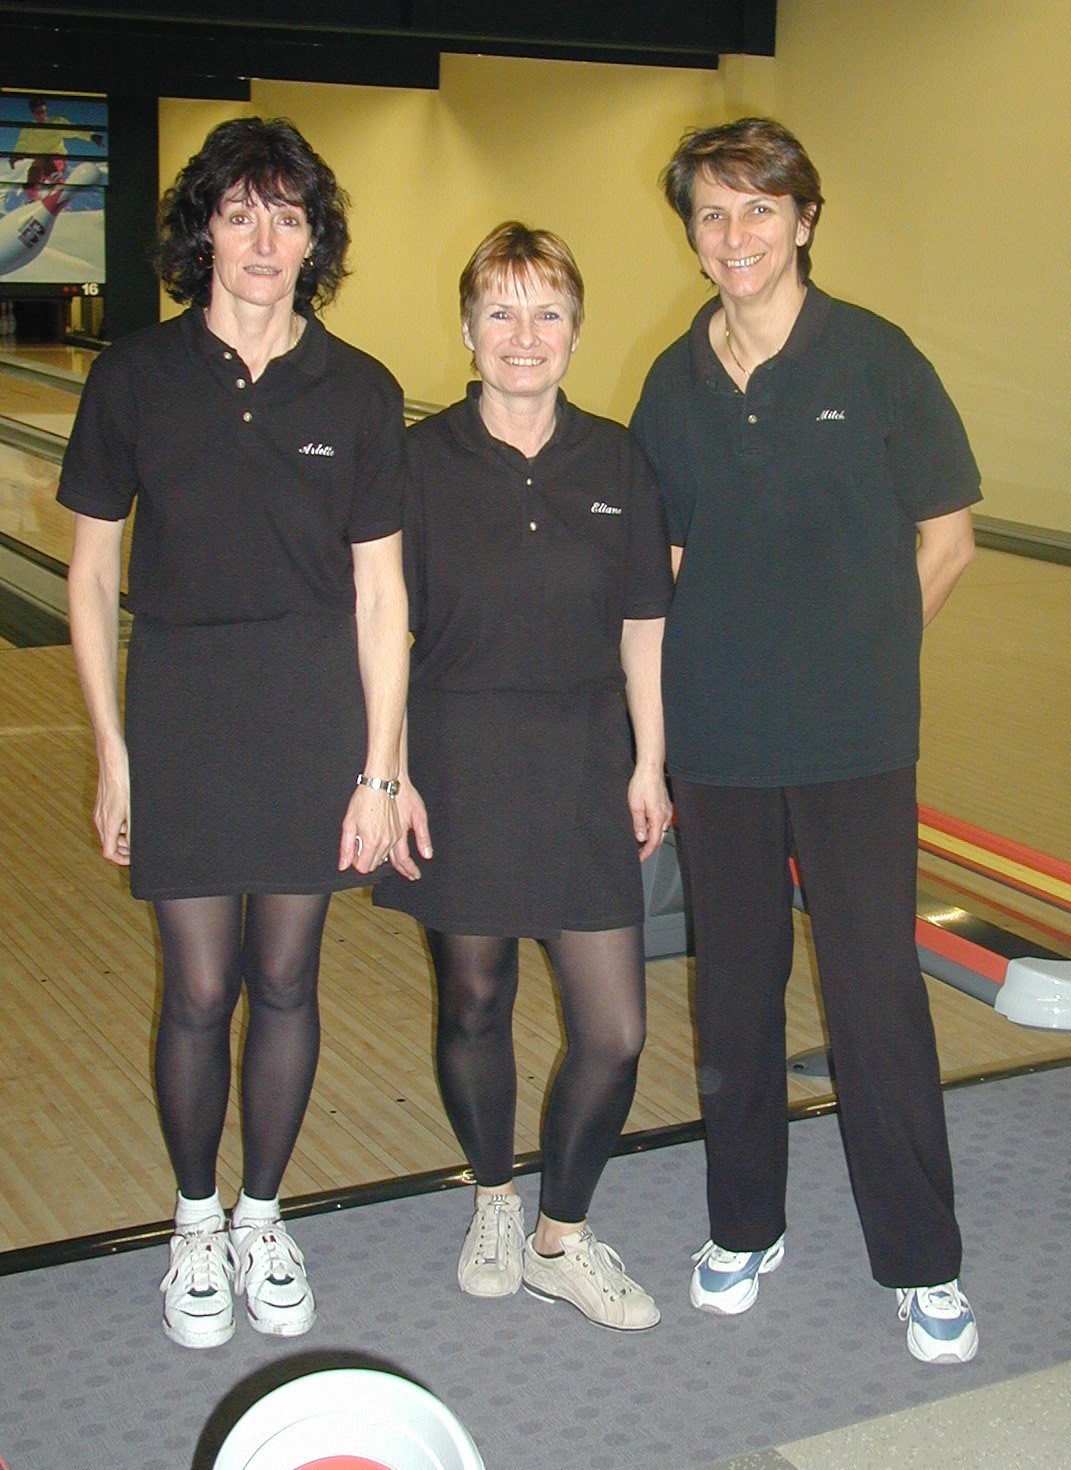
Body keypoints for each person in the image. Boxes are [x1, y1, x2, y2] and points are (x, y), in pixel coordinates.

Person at [631, 118, 981, 1364]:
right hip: (718, 737)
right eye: (713, 214)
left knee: (874, 993)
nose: (736, 236)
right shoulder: (672, 382)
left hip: (852, 741)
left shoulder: (877, 359)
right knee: (732, 990)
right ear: (693, 234)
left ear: (805, 220)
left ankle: (923, 1259)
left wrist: (865, 654)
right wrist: (650, 737)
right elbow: (666, 567)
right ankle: (745, 1226)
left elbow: (948, 537)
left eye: (759, 210)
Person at [58, 117, 410, 1349]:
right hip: (185, 712)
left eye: (289, 217)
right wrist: (113, 751)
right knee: (201, 984)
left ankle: (264, 1215)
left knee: (288, 977)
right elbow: (91, 575)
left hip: (312, 714)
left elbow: (382, 595)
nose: (265, 239)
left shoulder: (359, 389)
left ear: (316, 241)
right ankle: (196, 1222)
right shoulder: (135, 376)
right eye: (242, 213)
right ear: (203, 228)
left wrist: (380, 769)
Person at [375, 222, 672, 1331]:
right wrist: (388, 767)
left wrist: (650, 759)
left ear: (576, 330)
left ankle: (563, 1236)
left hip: (588, 759)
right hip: (456, 756)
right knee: (475, 997)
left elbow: (643, 621)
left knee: (615, 1028)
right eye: (500, 310)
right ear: (467, 329)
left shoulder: (618, 459)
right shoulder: (417, 461)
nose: (524, 334)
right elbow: (381, 622)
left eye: (547, 311)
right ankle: (495, 1199)